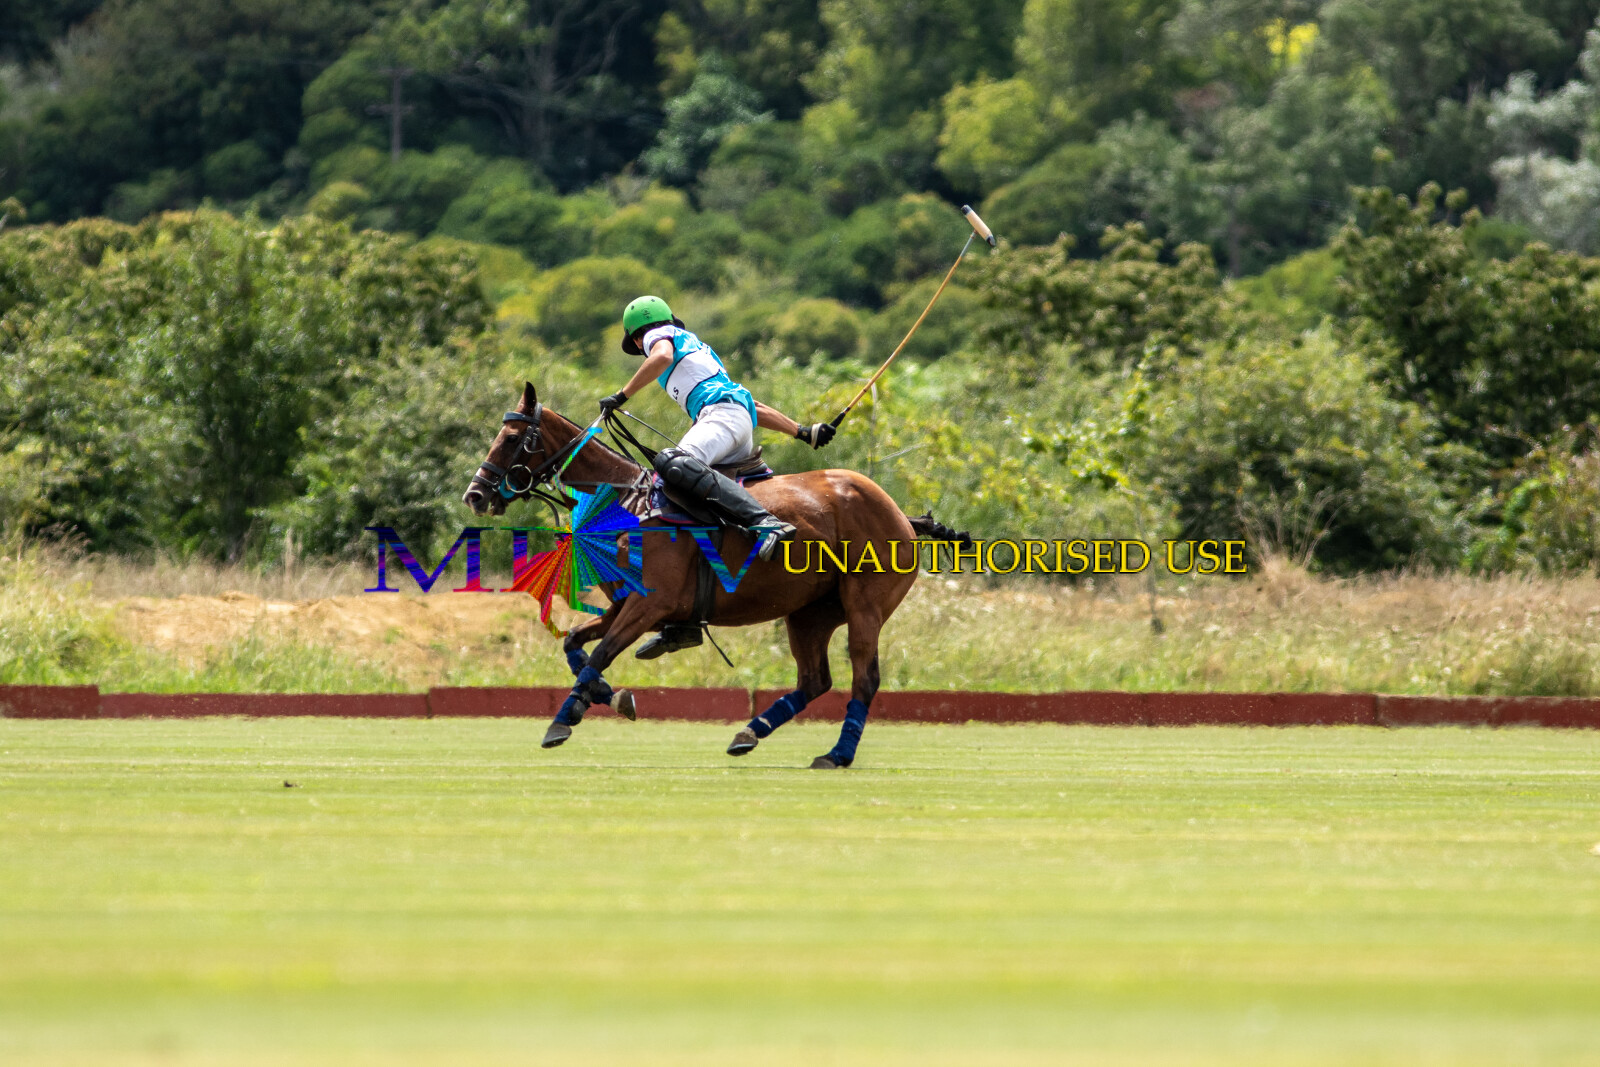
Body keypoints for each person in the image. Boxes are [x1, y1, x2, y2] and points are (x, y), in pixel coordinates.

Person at [600, 295, 835, 566]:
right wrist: (802, 432)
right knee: (693, 482)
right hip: (736, 425)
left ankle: (766, 523)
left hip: (722, 418)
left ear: (637, 338)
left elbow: (662, 356)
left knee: (673, 462)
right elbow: (750, 406)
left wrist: (622, 395)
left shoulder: (658, 335)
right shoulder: (698, 350)